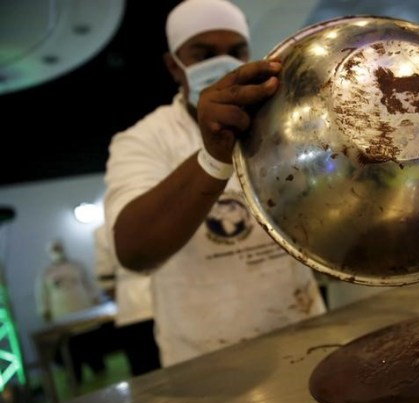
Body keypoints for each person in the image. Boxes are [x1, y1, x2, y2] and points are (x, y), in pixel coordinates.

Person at [103, 0, 326, 368]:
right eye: (203, 53)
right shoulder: (144, 139)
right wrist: (213, 157)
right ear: (174, 65)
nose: (223, 63)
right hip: (207, 359)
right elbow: (134, 252)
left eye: (236, 51)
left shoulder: (281, 120)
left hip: (305, 333)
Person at [93, 224, 161, 376]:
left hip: (131, 310)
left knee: (146, 374)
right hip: (161, 306)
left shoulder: (102, 232)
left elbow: (106, 279)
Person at [35, 239, 107, 383]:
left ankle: (98, 368)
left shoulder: (77, 266)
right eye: (54, 249)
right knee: (70, 347)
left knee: (89, 341)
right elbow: (42, 294)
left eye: (59, 247)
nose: (57, 251)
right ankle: (76, 375)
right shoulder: (46, 272)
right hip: (62, 315)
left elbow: (89, 284)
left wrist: (96, 300)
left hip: (84, 310)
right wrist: (45, 312)